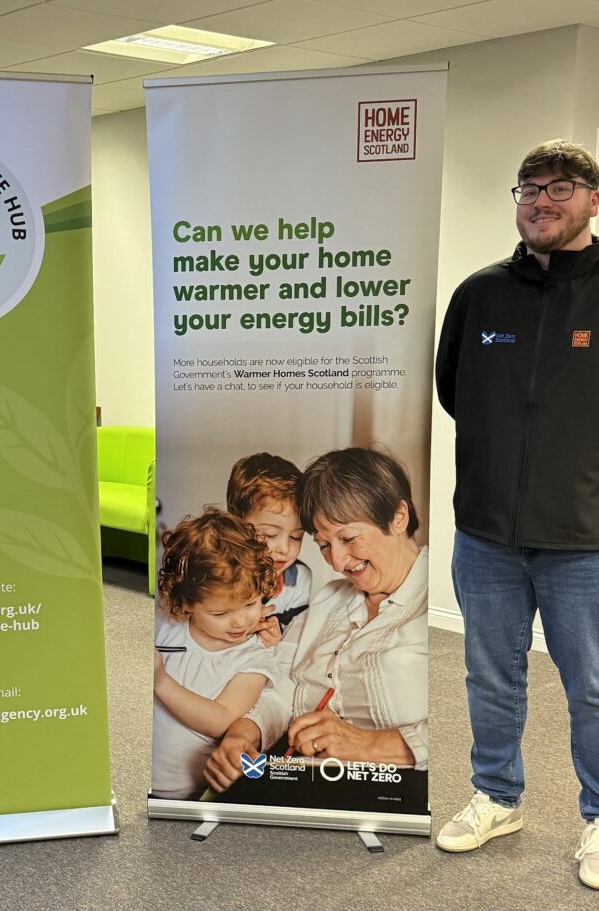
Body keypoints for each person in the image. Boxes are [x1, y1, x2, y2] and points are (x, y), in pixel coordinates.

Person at [434, 139, 599, 888]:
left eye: (560, 187)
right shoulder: (480, 293)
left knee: (590, 684)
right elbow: (452, 390)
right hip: (487, 535)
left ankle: (598, 816)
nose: (541, 200)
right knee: (489, 675)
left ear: (593, 200)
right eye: (528, 187)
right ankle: (498, 795)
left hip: (584, 539)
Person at [204, 447, 429, 792]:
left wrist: (369, 746)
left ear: (399, 517)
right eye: (324, 545)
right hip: (301, 783)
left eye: (348, 538)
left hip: (393, 796)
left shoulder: (443, 604)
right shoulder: (328, 599)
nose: (336, 563)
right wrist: (243, 733)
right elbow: (284, 686)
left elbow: (466, 724)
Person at [151, 508, 282, 800]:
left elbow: (221, 719)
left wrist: (160, 681)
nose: (239, 621)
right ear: (185, 605)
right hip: (138, 784)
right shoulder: (166, 626)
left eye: (250, 604)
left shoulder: (255, 658)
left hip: (188, 796)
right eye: (221, 612)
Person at [226, 452, 311, 633]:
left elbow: (293, 636)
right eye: (270, 534)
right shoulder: (215, 572)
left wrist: (277, 633)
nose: (284, 549)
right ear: (237, 523)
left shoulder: (298, 579)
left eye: (296, 537)